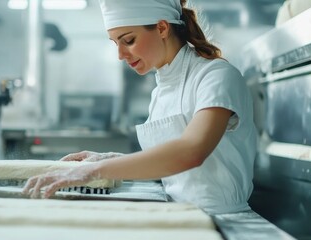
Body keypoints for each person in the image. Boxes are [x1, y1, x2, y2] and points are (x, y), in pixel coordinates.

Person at [23, 0, 257, 215]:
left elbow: (191, 152)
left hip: (223, 221)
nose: (120, 55)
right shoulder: (160, 91)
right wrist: (111, 159)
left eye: (129, 40)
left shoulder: (215, 76)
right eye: (115, 43)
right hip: (180, 217)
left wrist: (94, 171)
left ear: (162, 28)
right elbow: (172, 165)